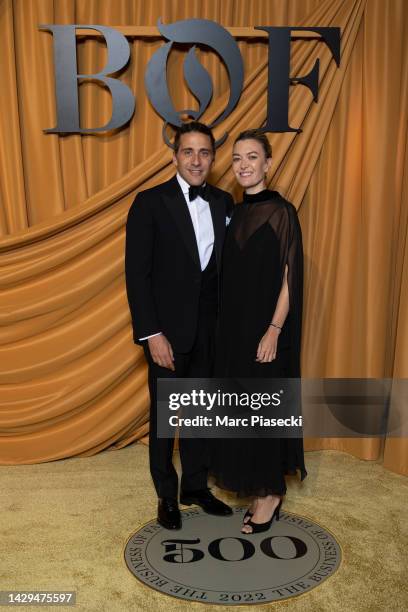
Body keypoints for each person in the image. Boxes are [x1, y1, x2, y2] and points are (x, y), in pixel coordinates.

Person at [125, 121, 234, 530]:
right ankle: (165, 495)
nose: (196, 160)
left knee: (201, 415)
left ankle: (194, 486)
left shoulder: (224, 202)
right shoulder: (149, 202)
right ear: (175, 155)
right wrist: (152, 334)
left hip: (211, 332)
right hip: (167, 334)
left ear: (213, 158)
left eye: (204, 153)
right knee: (167, 417)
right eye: (188, 152)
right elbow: (138, 275)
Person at [210, 129, 307, 534]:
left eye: (252, 157)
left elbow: (291, 278)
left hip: (266, 331)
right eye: (237, 159)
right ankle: (256, 486)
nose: (244, 165)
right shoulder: (231, 213)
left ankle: (270, 493)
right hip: (232, 332)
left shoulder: (283, 212)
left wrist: (273, 330)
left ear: (268, 163)